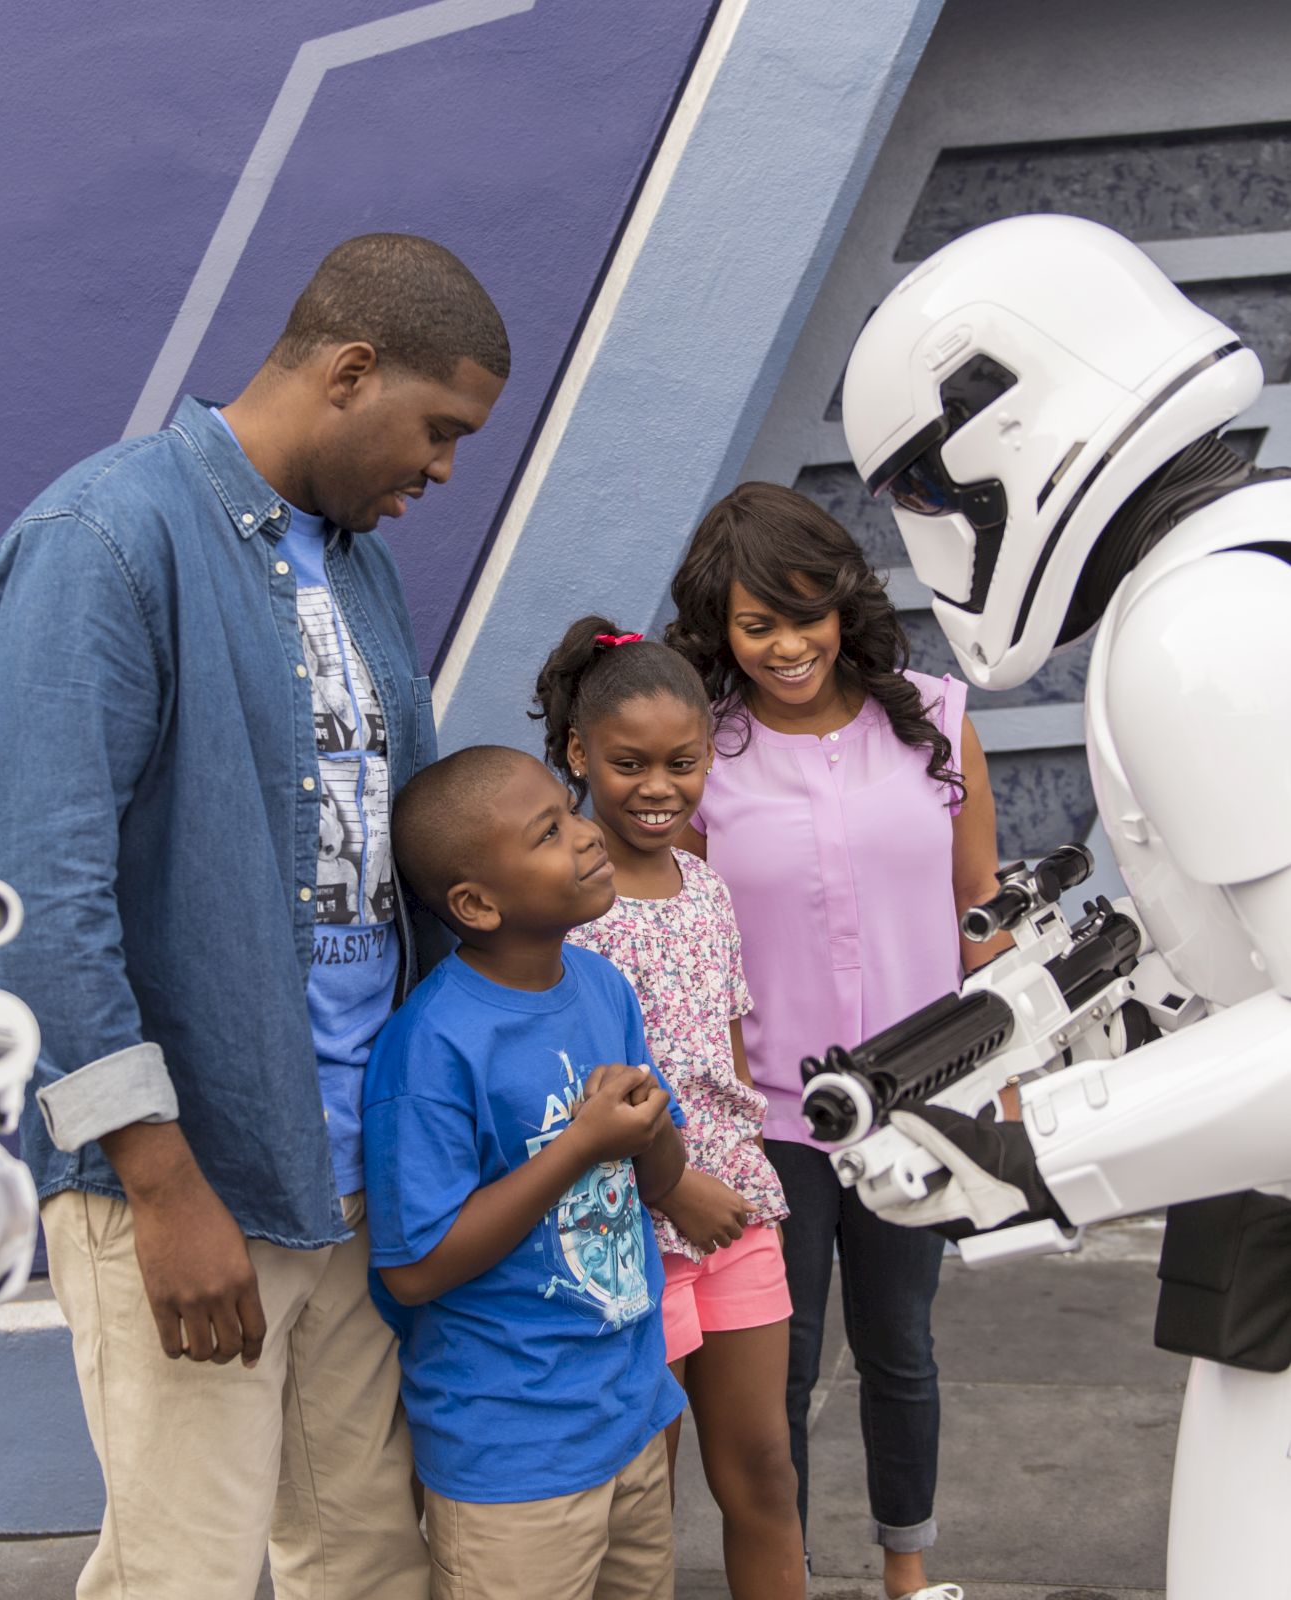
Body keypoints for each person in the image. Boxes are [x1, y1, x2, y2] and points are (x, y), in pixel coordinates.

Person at [0, 233, 509, 1600]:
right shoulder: (104, 538)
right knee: (185, 1578)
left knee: (372, 1567)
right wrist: (160, 1184)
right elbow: (44, 894)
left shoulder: (357, 565)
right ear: (347, 371)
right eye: (439, 428)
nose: (444, 470)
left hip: (351, 1169)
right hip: (194, 1175)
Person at [834, 213, 1291, 1600]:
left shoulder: (1199, 627)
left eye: (924, 490)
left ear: (1000, 430)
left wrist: (1029, 1144)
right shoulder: (1249, 552)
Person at [666, 482, 1009, 1600]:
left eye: (802, 616)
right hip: (769, 1120)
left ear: (841, 604)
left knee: (901, 1349)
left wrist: (1005, 1072)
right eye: (754, 625)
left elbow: (980, 905)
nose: (785, 647)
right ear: (720, 628)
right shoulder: (704, 755)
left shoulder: (937, 718)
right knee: (784, 1366)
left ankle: (909, 1573)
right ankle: (790, 1576)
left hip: (922, 1107)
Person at [363, 744, 688, 1600]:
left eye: (572, 812)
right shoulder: (433, 1044)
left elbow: (660, 1180)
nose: (586, 837)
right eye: (550, 832)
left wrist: (647, 1129)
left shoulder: (603, 986)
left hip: (628, 1415)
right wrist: (577, 1147)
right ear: (476, 902)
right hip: (513, 1456)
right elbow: (414, 1267)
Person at [531, 618, 805, 1600]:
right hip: (631, 1222)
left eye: (682, 763)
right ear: (578, 754)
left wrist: (731, 1176)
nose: (659, 786)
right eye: (629, 763)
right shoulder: (562, 902)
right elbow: (582, 1085)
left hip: (732, 1212)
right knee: (646, 1491)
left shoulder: (708, 886)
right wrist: (675, 1185)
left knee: (765, 1466)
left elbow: (727, 1059)